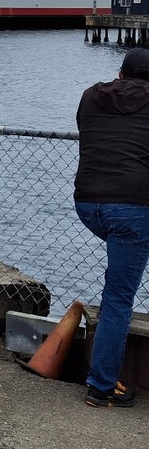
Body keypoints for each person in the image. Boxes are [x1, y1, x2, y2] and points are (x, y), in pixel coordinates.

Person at [74, 47, 149, 408]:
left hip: (89, 204)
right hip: (132, 209)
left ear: (120, 74)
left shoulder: (91, 96)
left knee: (117, 288)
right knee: (119, 297)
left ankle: (103, 377)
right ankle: (101, 386)